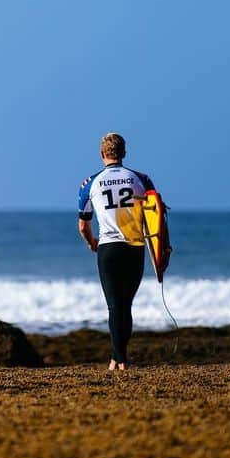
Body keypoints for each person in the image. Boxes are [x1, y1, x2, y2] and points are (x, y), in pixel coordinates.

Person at [77, 132, 156, 371]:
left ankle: (118, 359)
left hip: (108, 248)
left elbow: (83, 224)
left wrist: (91, 241)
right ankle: (120, 358)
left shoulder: (89, 183)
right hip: (135, 247)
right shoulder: (142, 179)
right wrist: (160, 250)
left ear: (102, 154)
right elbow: (156, 218)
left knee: (114, 306)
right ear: (124, 153)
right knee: (125, 305)